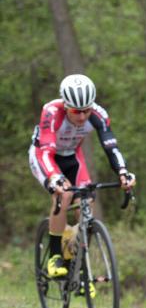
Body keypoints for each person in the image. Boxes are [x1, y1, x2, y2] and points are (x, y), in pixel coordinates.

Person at [29, 74, 136, 278]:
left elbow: (111, 147)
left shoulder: (98, 114)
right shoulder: (52, 112)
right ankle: (55, 255)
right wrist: (53, 177)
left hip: (72, 157)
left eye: (86, 110)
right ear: (66, 105)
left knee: (87, 203)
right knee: (65, 194)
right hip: (45, 156)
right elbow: (45, 152)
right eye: (76, 112)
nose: (81, 117)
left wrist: (123, 172)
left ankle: (75, 261)